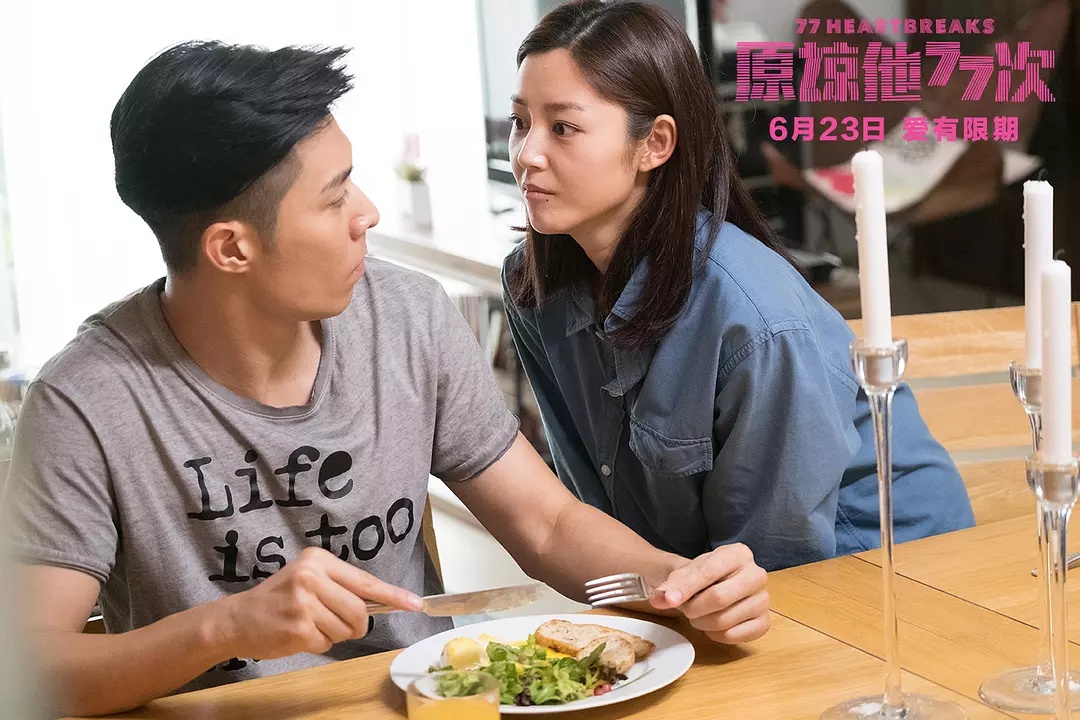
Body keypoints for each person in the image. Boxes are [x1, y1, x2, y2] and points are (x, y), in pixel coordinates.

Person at [0, 40, 771, 717]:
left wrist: (679, 581)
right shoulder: (86, 400)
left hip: (425, 706)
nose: (366, 213)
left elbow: (545, 524)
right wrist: (226, 626)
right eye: (335, 196)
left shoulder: (407, 318)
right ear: (231, 248)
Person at [501, 0, 975, 574]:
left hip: (884, 573)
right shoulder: (534, 286)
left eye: (563, 127)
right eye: (520, 121)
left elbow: (779, 561)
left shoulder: (754, 318)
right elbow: (591, 506)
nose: (527, 154)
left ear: (655, 143)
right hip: (707, 585)